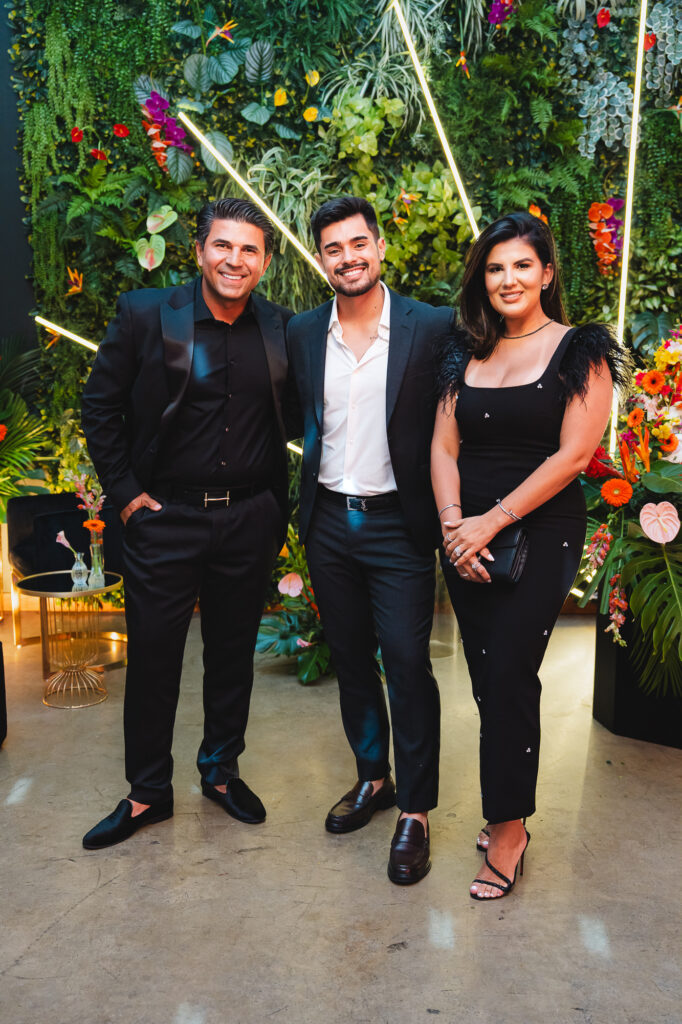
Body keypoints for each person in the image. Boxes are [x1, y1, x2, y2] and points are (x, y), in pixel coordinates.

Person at [80, 197, 295, 849]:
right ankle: (148, 791)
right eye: (223, 245)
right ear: (199, 250)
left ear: (265, 262)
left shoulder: (283, 328)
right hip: (164, 518)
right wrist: (125, 496)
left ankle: (221, 773)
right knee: (153, 660)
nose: (235, 260)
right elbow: (100, 406)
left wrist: (278, 510)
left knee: (232, 656)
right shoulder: (146, 314)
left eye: (250, 249)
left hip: (249, 518)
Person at [431, 211, 628, 900]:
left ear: (546, 273)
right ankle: (506, 802)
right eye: (495, 268)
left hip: (540, 533)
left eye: (522, 265)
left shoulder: (581, 350)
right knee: (488, 677)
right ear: (481, 280)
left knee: (511, 671)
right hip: (465, 534)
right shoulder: (465, 350)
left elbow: (573, 456)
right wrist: (455, 527)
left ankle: (509, 829)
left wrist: (490, 522)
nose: (508, 279)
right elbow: (443, 446)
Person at [287, 196, 454, 885]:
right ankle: (373, 778)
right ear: (320, 259)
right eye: (333, 248)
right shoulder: (302, 332)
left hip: (398, 525)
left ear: (380, 247)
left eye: (358, 243)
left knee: (408, 664)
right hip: (329, 521)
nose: (348, 257)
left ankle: (415, 809)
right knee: (351, 659)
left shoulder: (431, 325)